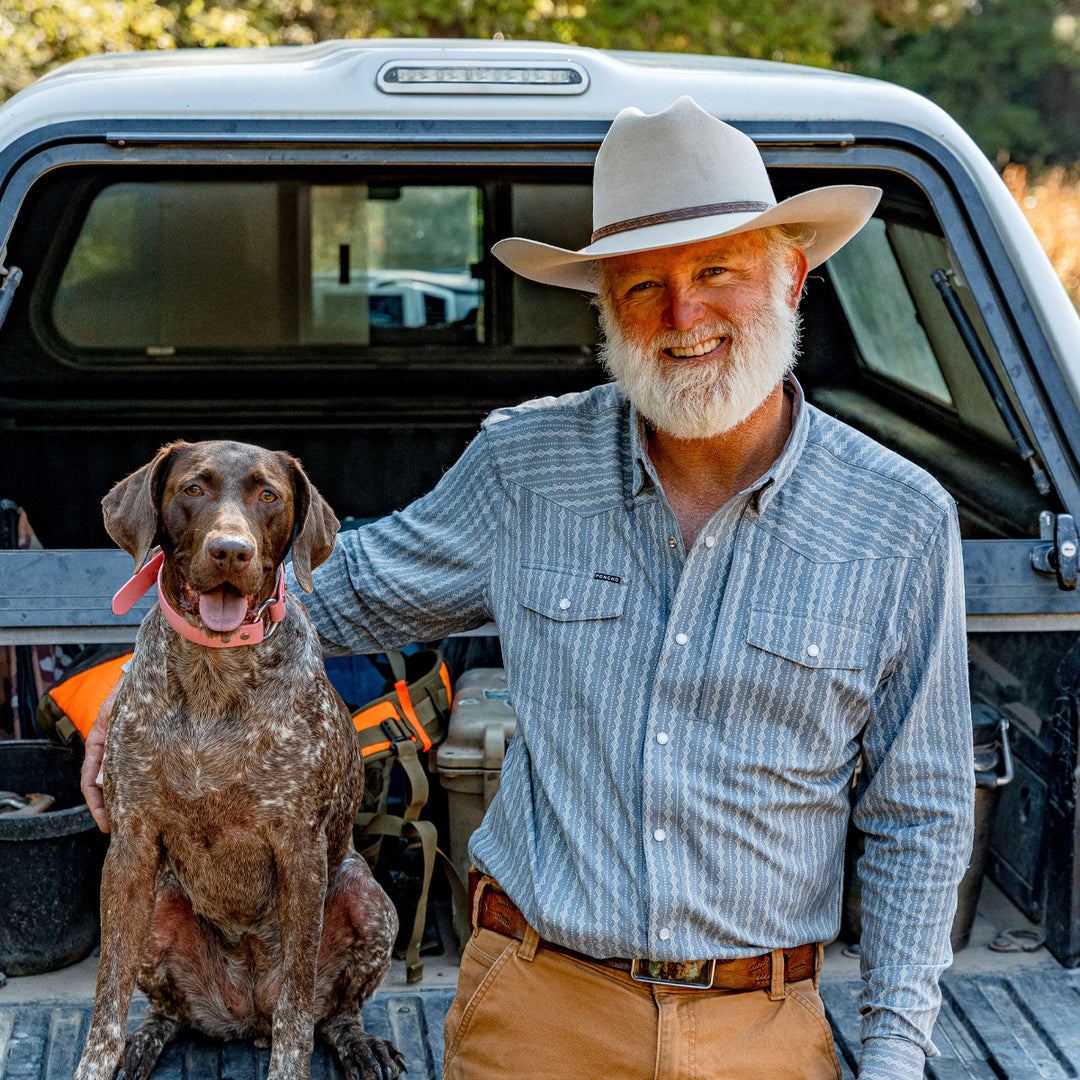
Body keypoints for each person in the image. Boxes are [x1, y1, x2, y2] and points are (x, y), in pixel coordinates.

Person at [83, 96, 974, 1080]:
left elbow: (920, 813)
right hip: (539, 999)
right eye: (643, 286)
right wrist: (136, 700)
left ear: (790, 275)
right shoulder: (525, 464)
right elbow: (330, 594)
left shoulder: (899, 519)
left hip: (761, 1021)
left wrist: (893, 1056)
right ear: (607, 307)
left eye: (716, 271)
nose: (683, 316)